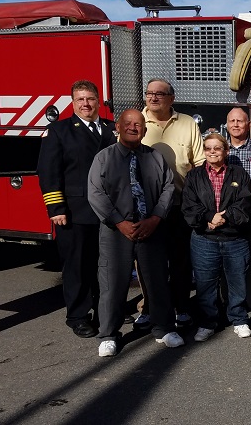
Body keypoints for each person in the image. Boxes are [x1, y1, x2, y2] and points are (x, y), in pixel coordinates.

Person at [87, 109, 183, 357]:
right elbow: (96, 193)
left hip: (151, 228)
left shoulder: (155, 157)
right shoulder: (104, 158)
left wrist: (155, 218)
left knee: (158, 279)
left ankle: (164, 329)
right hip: (115, 230)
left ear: (145, 129)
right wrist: (119, 222)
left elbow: (168, 188)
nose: (133, 127)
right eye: (128, 123)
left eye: (138, 124)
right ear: (118, 127)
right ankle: (109, 334)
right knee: (112, 282)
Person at [37, 80, 117, 338]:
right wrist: (56, 208)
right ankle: (78, 315)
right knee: (77, 266)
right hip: (74, 210)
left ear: (97, 100)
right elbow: (48, 172)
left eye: (90, 99)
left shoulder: (110, 129)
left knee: (104, 264)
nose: (85, 104)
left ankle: (103, 309)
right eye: (80, 99)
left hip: (106, 211)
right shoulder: (59, 131)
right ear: (73, 103)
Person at [137, 78, 204, 329]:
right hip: (146, 207)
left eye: (160, 94)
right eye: (149, 93)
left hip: (179, 204)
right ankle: (148, 308)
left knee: (180, 260)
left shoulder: (187, 123)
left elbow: (198, 164)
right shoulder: (136, 121)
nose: (153, 98)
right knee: (147, 262)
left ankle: (182, 307)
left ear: (171, 99)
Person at [182, 133, 251, 341]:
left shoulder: (239, 174)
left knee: (237, 282)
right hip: (204, 238)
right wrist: (208, 217)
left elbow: (244, 203)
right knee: (205, 283)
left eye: (217, 148)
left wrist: (225, 218)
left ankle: (239, 319)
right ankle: (207, 322)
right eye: (208, 148)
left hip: (235, 239)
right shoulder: (194, 176)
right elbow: (189, 205)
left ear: (226, 151)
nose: (212, 151)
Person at [223, 107, 251, 323]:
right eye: (232, 121)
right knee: (227, 263)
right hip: (227, 215)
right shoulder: (220, 149)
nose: (236, 124)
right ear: (227, 124)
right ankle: (228, 303)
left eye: (240, 120)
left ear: (248, 123)